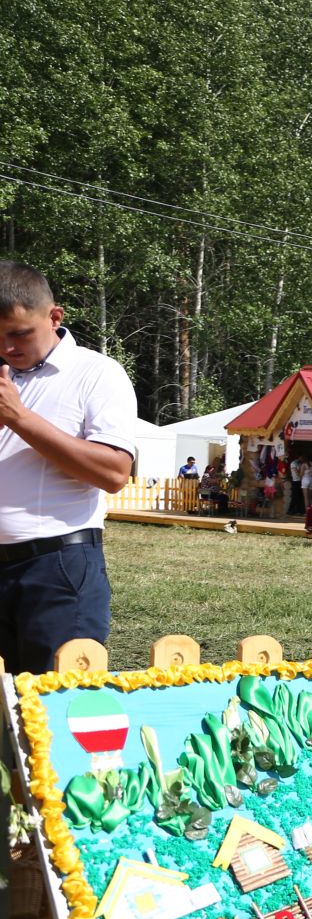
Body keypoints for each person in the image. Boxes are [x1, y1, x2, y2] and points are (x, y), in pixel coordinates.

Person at [0, 262, 137, 674]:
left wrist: (20, 418)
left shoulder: (97, 373)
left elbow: (114, 472)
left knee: (54, 712)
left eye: (19, 333)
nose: (6, 347)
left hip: (57, 566)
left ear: (54, 317)